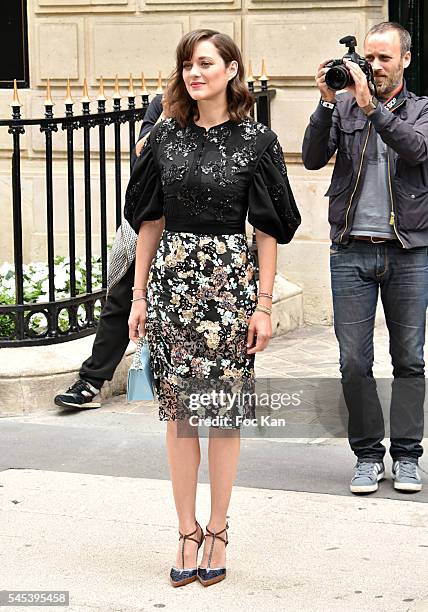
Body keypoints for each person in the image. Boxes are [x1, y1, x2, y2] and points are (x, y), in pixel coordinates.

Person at [124, 29, 300, 587]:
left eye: (204, 63)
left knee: (222, 415)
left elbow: (268, 230)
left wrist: (264, 304)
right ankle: (185, 529)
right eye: (186, 64)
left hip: (230, 287)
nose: (193, 73)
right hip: (173, 286)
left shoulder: (257, 142)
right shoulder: (162, 139)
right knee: (180, 417)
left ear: (231, 70)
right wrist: (138, 297)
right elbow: (149, 222)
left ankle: (219, 529)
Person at [302, 21, 428, 494]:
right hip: (351, 249)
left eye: (383, 58)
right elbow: (313, 157)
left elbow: (416, 149)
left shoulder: (421, 110)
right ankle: (368, 455)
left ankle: (409, 455)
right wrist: (325, 104)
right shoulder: (345, 107)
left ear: (405, 60)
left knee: (409, 360)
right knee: (353, 361)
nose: (373, 66)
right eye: (368, 58)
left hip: (409, 252)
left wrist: (373, 110)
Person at [54, 95, 164, 410]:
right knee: (121, 300)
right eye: (186, 66)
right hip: (148, 222)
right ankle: (91, 382)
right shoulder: (161, 104)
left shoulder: (221, 112)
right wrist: (168, 114)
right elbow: (140, 161)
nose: (192, 75)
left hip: (195, 229)